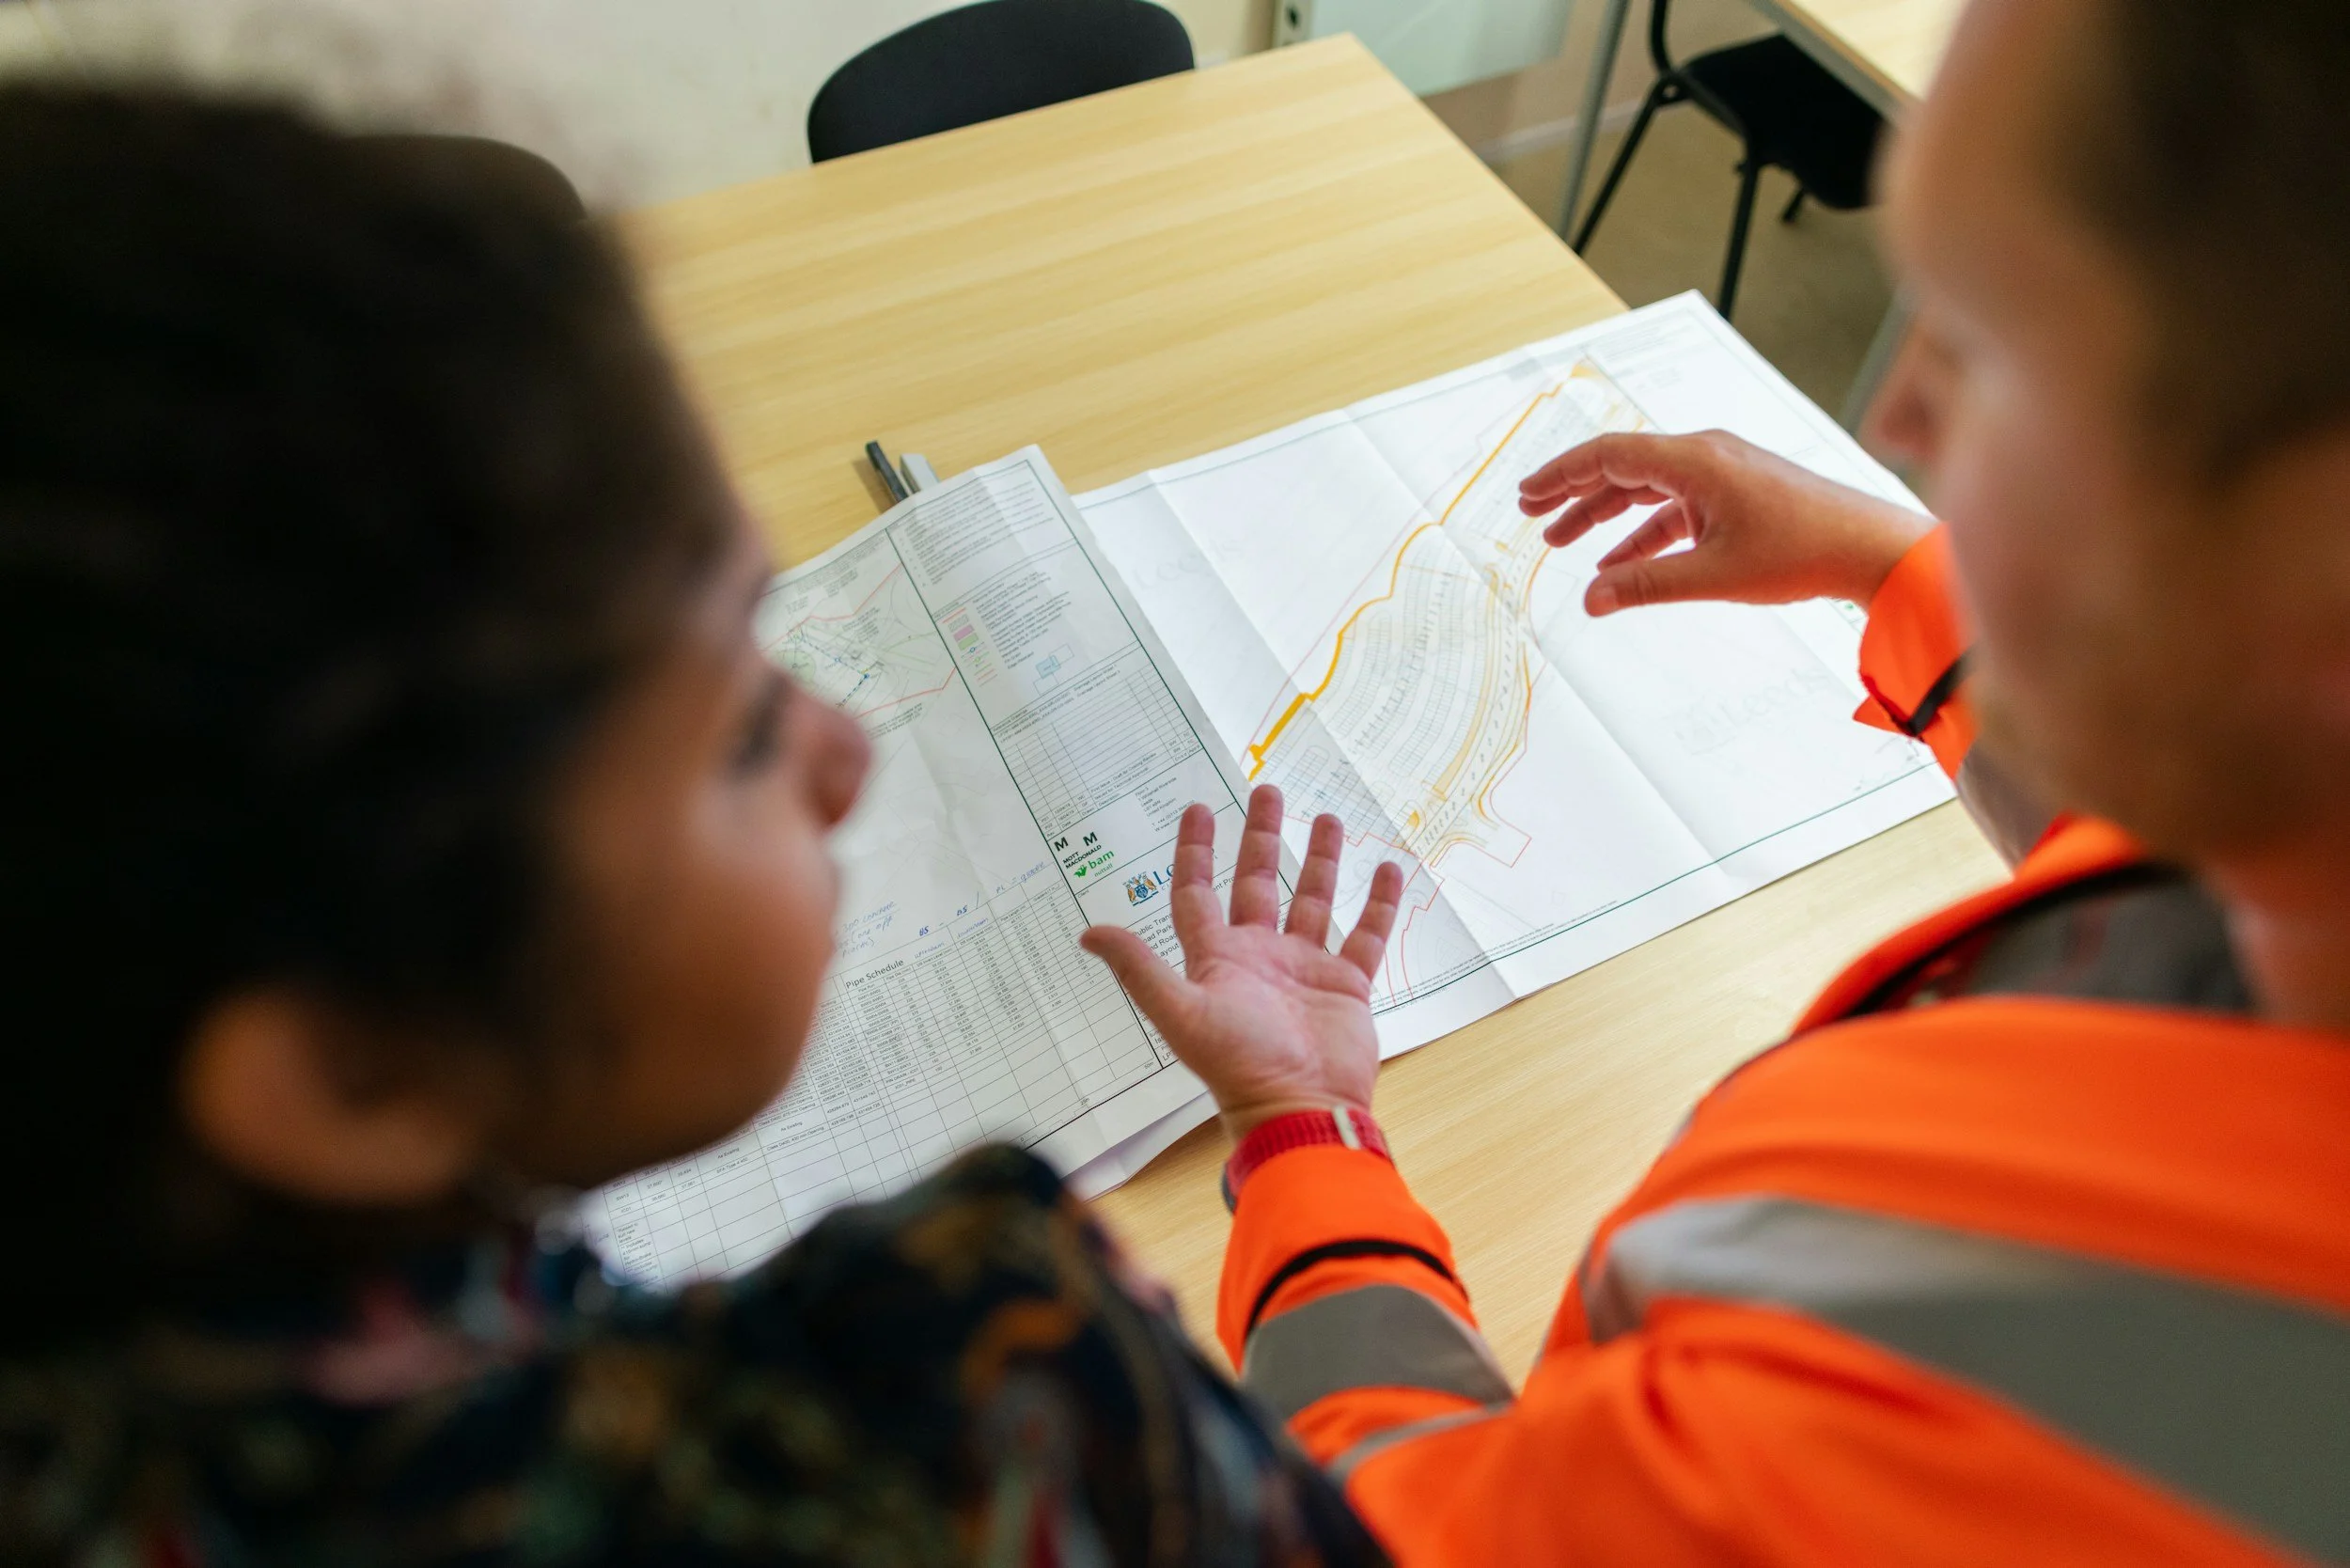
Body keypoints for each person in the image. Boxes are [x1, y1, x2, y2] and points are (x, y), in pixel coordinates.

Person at [0, 85, 1389, 1568]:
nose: (845, 754)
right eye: (738, 732)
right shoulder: (974, 1406)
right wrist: (1315, 1146)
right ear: (358, 1073)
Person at [1078, 0, 2350, 1560]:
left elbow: (1401, 1532)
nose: (1895, 418)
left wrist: (1305, 1143)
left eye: (1988, 342)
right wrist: (1886, 564)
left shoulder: (1897, 1390)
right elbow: (2171, 841)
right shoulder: (2287, 864)